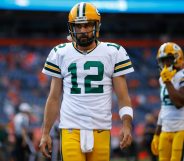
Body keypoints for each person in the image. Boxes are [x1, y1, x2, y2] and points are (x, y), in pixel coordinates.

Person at [39, 2, 134, 161]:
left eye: (87, 25)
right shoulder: (60, 53)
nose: (83, 30)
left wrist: (126, 125)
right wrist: (45, 133)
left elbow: (123, 96)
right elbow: (54, 97)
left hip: (101, 128)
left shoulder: (114, 52)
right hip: (70, 128)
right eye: (78, 26)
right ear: (72, 28)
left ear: (97, 26)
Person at [151, 42, 184, 161]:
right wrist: (157, 133)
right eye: (163, 61)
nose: (166, 64)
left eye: (169, 60)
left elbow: (179, 103)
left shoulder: (181, 76)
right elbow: (164, 108)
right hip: (166, 129)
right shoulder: (162, 79)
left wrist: (168, 82)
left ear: (177, 58)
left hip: (181, 129)